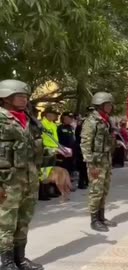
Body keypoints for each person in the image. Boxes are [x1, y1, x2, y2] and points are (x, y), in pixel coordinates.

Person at [0, 79, 53, 270]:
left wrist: (48, 156)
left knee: (24, 219)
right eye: (19, 96)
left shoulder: (29, 120)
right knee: (6, 221)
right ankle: (6, 262)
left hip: (30, 179)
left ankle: (20, 258)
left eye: (25, 96)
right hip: (7, 181)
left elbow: (33, 148)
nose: (24, 99)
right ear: (5, 97)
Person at [80, 92, 117, 232]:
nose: (109, 107)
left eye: (110, 104)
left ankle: (101, 217)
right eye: (107, 104)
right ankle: (94, 220)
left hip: (106, 159)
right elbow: (85, 143)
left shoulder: (105, 120)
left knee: (104, 190)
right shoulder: (91, 121)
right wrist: (90, 163)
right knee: (96, 190)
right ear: (100, 105)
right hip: (96, 162)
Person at [57, 112, 76, 177]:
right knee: (63, 166)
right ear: (63, 119)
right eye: (67, 118)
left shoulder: (71, 127)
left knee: (70, 165)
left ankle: (69, 178)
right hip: (63, 150)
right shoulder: (60, 128)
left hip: (71, 150)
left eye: (71, 118)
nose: (69, 120)